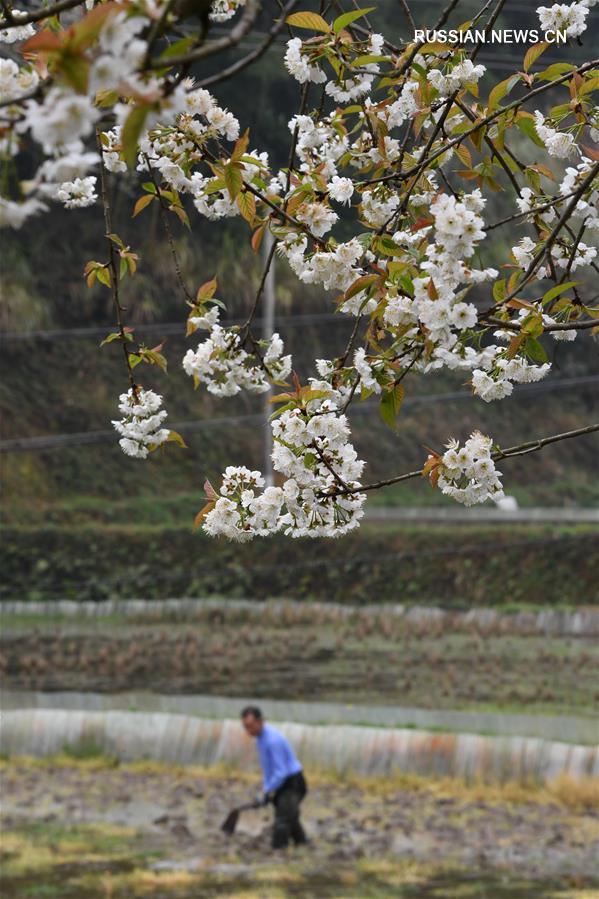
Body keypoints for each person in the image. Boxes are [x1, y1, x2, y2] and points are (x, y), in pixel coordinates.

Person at [241, 705, 308, 849]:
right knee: (291, 817)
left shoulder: (273, 740)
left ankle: (277, 854)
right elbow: (268, 769)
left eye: (251, 726)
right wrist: (265, 791)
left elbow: (280, 772)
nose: (248, 731)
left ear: (260, 722)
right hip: (282, 782)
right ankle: (303, 845)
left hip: (292, 782)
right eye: (245, 727)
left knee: (282, 821)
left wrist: (267, 790)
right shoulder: (260, 739)